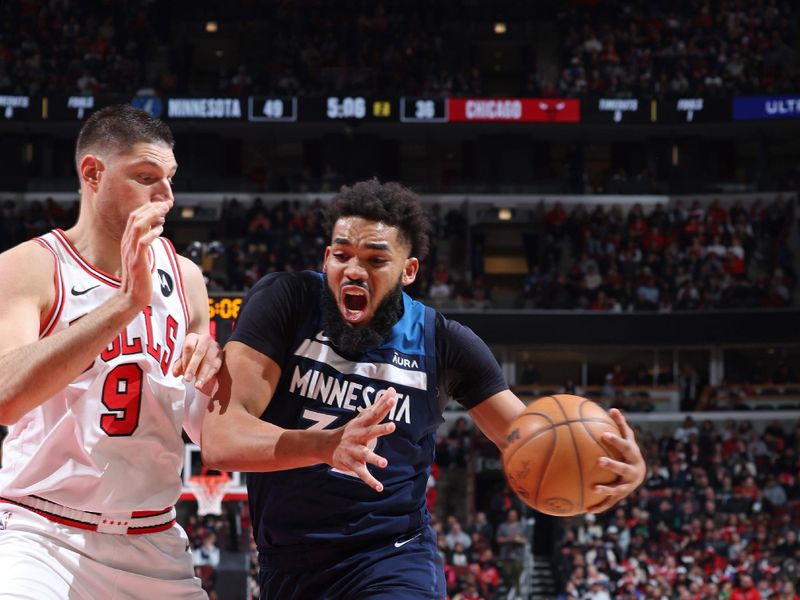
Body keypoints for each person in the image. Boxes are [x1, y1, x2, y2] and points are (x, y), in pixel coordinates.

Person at [202, 179, 646, 599]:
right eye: (342, 256)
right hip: (286, 562)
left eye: (376, 260)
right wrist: (327, 445)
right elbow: (222, 440)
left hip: (391, 554)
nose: (354, 270)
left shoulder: (443, 342)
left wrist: (610, 473)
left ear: (408, 270)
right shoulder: (288, 301)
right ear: (325, 259)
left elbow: (532, 443)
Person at [0, 104, 221, 599]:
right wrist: (124, 306)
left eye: (169, 178)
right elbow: (5, 395)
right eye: (146, 177)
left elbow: (202, 425)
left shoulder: (186, 277)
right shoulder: (30, 267)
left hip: (155, 538)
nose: (164, 194)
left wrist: (216, 370)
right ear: (93, 173)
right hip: (42, 535)